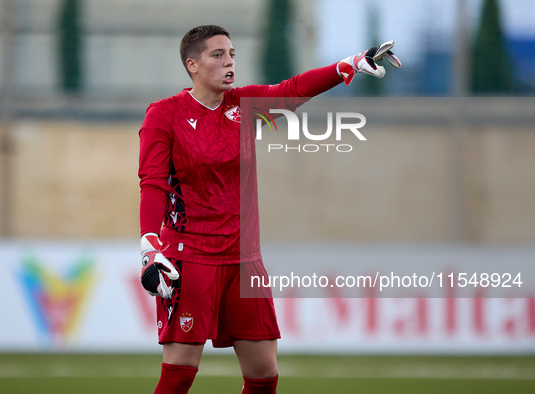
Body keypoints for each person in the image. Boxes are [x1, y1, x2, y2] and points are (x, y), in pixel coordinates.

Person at [138, 25, 400, 394]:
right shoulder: (164, 115)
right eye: (218, 55)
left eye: (232, 54)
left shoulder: (244, 107)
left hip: (244, 259)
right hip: (190, 258)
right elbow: (153, 184)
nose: (229, 62)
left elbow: (291, 91)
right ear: (192, 65)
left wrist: (349, 64)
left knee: (263, 375)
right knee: (180, 373)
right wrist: (150, 246)